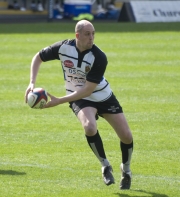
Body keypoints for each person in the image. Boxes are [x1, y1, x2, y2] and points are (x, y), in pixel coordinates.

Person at [25, 20, 133, 190]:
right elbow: (38, 57)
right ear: (78, 35)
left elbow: (88, 90)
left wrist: (59, 101)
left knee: (126, 136)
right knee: (90, 127)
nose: (91, 38)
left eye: (93, 34)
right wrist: (32, 83)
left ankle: (126, 170)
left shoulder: (99, 57)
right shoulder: (63, 48)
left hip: (102, 96)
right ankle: (105, 165)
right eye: (87, 34)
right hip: (79, 97)